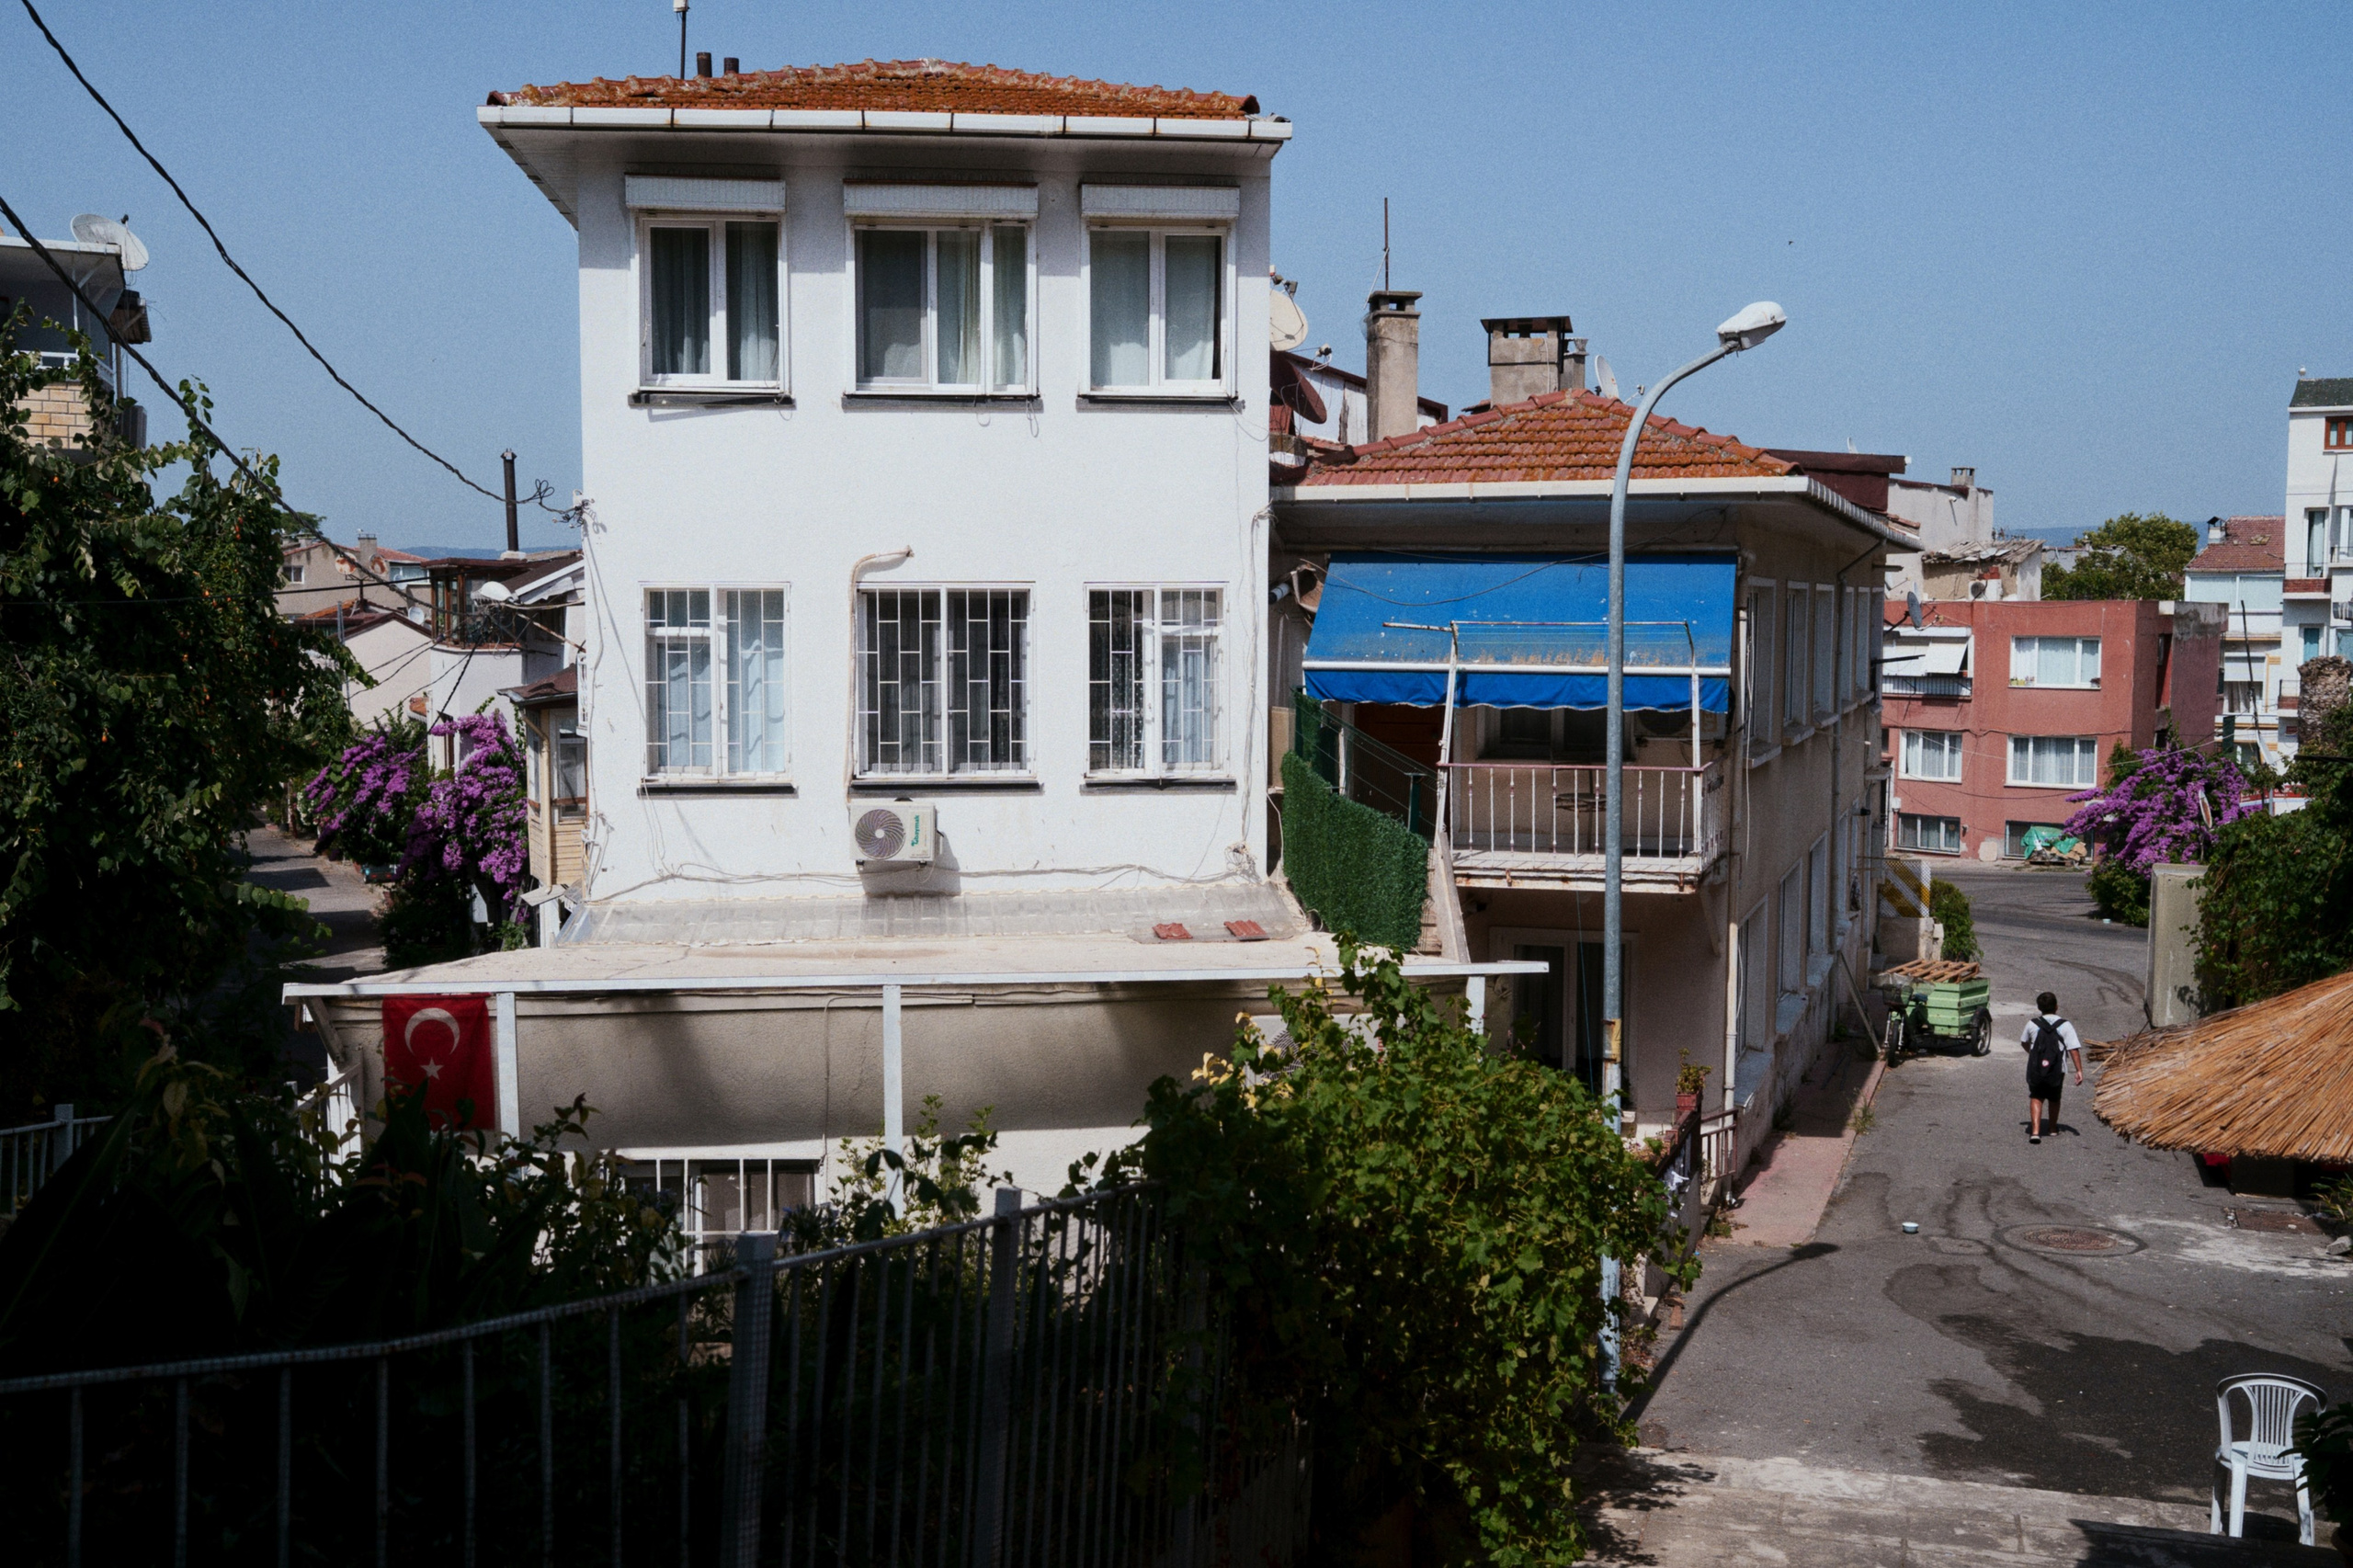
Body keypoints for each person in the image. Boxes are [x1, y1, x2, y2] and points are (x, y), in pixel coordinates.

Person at [2020, 991, 2084, 1143]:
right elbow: (2073, 1049)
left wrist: (2033, 1054)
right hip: (2057, 1069)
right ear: (2056, 1006)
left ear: (2039, 1007)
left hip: (2036, 1068)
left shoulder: (2032, 1024)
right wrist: (2079, 1070)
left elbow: (2024, 1042)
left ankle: (2035, 1132)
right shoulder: (2065, 1025)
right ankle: (2052, 1128)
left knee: (2036, 1096)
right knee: (2054, 1098)